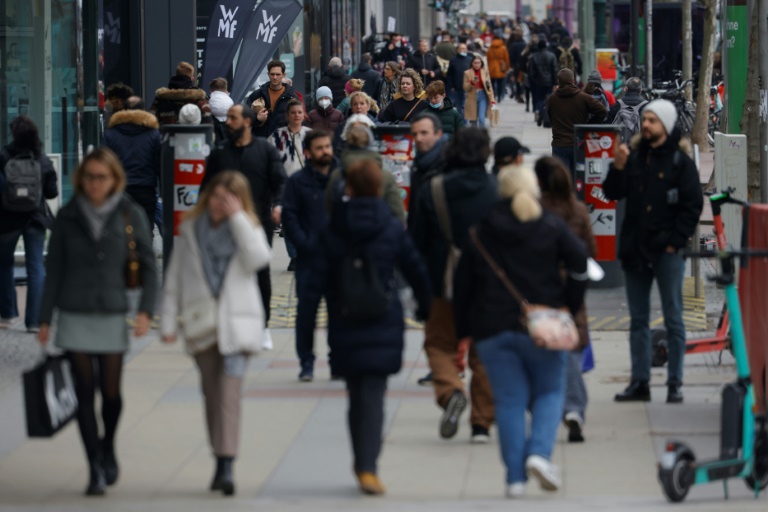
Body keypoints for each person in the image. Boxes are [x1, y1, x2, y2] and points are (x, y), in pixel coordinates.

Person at [453, 164, 588, 498]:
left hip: (493, 328)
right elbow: (580, 262)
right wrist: (569, 304)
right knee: (550, 393)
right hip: (545, 325)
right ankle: (540, 455)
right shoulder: (551, 225)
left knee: (509, 401)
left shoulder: (481, 230)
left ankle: (514, 479)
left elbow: (463, 285)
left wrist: (464, 330)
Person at [304, 157, 431, 496]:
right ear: (377, 187)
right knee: (373, 397)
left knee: (355, 396)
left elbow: (312, 287)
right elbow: (416, 269)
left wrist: (306, 342)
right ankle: (368, 467)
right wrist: (426, 308)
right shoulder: (390, 226)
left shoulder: (331, 229)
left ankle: (361, 461)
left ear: (347, 188)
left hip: (345, 319)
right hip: (382, 318)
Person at [37, 148, 157, 496]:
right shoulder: (68, 216)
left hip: (112, 312)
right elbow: (54, 269)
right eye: (89, 177)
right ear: (80, 179)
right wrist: (44, 318)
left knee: (112, 394)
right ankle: (94, 467)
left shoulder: (129, 212)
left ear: (114, 179)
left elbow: (148, 266)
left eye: (101, 177)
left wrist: (146, 310)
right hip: (74, 312)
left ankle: (108, 447)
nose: (94, 184)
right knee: (84, 394)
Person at [161, 170, 270, 496]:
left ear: (238, 200)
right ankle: (219, 454)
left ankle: (227, 464)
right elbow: (174, 279)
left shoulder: (247, 228)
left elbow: (259, 259)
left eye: (227, 199)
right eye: (215, 197)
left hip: (237, 325)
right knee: (211, 395)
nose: (218, 204)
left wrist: (237, 218)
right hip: (202, 324)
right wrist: (167, 322)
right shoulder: (191, 228)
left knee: (228, 396)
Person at [603, 99, 703, 404]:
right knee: (638, 320)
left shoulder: (679, 162)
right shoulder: (632, 157)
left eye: (652, 120)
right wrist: (617, 167)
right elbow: (612, 192)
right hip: (636, 249)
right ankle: (640, 382)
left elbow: (692, 205)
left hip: (666, 251)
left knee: (673, 317)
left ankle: (675, 383)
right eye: (644, 119)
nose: (645, 125)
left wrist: (675, 240)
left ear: (666, 125)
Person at [412, 128, 496, 444]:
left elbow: (416, 243)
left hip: (442, 283)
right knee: (484, 352)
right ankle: (481, 424)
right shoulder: (497, 190)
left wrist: (418, 291)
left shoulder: (432, 190)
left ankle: (450, 391)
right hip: (486, 287)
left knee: (438, 344)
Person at [203, 104, 287, 352]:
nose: (228, 122)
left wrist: (279, 205)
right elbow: (207, 187)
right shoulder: (220, 153)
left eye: (233, 118)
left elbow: (280, 180)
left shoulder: (265, 150)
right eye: (228, 117)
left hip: (258, 224)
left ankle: (263, 327)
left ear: (248, 122)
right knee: (225, 274)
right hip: (224, 226)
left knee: (260, 274)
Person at [534, 156, 597, 444]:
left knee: (541, 346)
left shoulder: (535, 209)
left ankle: (546, 405)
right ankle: (574, 407)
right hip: (572, 284)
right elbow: (590, 248)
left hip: (541, 285)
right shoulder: (578, 209)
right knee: (570, 345)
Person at [282, 130, 336, 381]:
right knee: (306, 315)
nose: (326, 151)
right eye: (320, 148)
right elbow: (289, 217)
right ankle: (306, 362)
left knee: (339, 314)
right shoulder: (297, 182)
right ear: (308, 153)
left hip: (337, 259)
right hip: (309, 260)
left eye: (327, 146)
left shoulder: (342, 178)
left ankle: (338, 361)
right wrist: (304, 244)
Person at [0, 116, 58, 331]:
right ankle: (34, 321)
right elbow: (53, 193)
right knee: (36, 268)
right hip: (35, 219)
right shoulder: (42, 160)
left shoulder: (3, 157)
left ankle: (8, 314)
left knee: (4, 265)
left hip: (6, 220)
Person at [102, 98, 162, 235]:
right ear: (143, 110)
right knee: (146, 229)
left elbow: (104, 162)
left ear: (124, 110)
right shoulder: (153, 134)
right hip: (145, 189)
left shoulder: (111, 134)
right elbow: (159, 165)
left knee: (120, 230)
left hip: (119, 190)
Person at [326, 125, 405, 224]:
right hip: (380, 233)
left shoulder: (337, 175)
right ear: (371, 144)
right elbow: (398, 214)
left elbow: (329, 211)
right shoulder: (385, 176)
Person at [545, 69, 607, 172]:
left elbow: (549, 118)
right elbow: (603, 111)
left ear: (559, 81)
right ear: (573, 81)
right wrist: (589, 124)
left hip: (559, 143)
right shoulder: (583, 98)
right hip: (579, 143)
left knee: (561, 176)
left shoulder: (552, 99)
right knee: (578, 176)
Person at [246, 60, 299, 138]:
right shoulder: (257, 94)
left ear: (284, 75)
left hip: (282, 140)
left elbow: (298, 119)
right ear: (268, 74)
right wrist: (257, 119)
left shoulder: (291, 97)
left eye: (278, 74)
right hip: (261, 140)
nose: (274, 77)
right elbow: (245, 117)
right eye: (272, 74)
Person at [149, 61, 212, 126]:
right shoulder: (199, 97)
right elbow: (207, 123)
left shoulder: (161, 97)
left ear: (176, 76)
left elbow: (151, 120)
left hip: (167, 134)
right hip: (192, 135)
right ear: (191, 78)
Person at [270, 99, 312, 177]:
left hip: (308, 181)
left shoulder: (311, 134)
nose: (297, 115)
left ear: (304, 115)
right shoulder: (276, 135)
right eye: (293, 112)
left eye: (300, 112)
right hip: (285, 182)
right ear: (287, 115)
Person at [606, 77, 648, 141]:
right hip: (639, 143)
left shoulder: (617, 105)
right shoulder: (647, 106)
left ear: (626, 88)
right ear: (640, 90)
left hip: (620, 143)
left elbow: (608, 123)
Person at [527, 40, 558, 126]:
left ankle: (540, 113)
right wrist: (555, 82)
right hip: (549, 81)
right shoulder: (551, 56)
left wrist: (535, 78)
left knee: (539, 99)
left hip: (539, 82)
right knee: (549, 99)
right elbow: (555, 70)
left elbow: (530, 71)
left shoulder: (534, 56)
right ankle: (546, 116)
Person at [463, 56, 495, 128]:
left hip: (482, 95)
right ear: (472, 63)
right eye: (475, 63)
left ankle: (482, 134)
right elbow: (465, 87)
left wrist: (492, 99)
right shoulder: (467, 73)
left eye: (478, 63)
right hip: (472, 96)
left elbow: (489, 87)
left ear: (481, 64)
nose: (477, 65)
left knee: (481, 117)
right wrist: (472, 83)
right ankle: (474, 135)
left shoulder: (485, 72)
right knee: (473, 119)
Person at [446, 43, 473, 117]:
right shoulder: (453, 60)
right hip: (456, 87)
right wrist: (451, 85)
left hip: (467, 88)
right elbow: (449, 74)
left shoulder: (469, 60)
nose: (464, 50)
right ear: (458, 50)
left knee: (465, 106)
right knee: (459, 107)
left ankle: (464, 123)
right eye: (462, 48)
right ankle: (461, 122)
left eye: (465, 49)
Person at [486, 36, 511, 103]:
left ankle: (493, 95)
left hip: (491, 67)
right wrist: (508, 67)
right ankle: (500, 96)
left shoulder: (490, 48)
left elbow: (488, 58)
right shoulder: (503, 48)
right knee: (500, 83)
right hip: (500, 67)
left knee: (492, 83)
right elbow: (506, 59)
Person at [209, 77, 234, 143]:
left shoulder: (210, 100)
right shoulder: (230, 101)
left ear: (211, 90)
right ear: (226, 89)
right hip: (228, 131)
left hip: (213, 130)